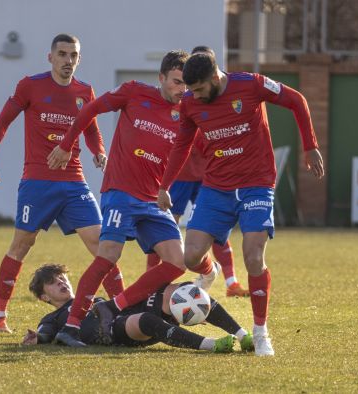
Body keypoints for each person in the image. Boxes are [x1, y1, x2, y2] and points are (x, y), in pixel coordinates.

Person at [47, 50, 220, 347]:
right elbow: (90, 109)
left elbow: (195, 149)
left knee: (177, 262)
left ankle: (120, 305)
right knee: (108, 255)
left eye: (186, 85)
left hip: (154, 199)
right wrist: (66, 144)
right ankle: (71, 327)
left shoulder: (189, 110)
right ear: (162, 78)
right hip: (121, 193)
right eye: (177, 82)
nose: (182, 90)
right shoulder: (133, 92)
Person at [158, 52, 325, 356]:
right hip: (215, 188)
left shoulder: (251, 85)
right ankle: (210, 273)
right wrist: (165, 185)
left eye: (197, 89)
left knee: (253, 255)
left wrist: (310, 146)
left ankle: (261, 332)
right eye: (189, 90)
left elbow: (297, 100)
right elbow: (182, 143)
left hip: (256, 185)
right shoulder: (191, 104)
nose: (192, 95)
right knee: (191, 257)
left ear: (214, 77)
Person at [0, 34, 124, 334]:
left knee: (102, 244)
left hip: (74, 183)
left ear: (78, 59)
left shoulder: (84, 91)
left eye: (73, 55)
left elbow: (92, 129)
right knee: (22, 245)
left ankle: (123, 308)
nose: (68, 60)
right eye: (62, 54)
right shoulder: (30, 85)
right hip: (37, 183)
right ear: (50, 57)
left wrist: (99, 152)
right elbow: (3, 121)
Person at [146, 46, 249, 298]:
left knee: (215, 232)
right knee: (163, 226)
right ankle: (152, 284)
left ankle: (231, 282)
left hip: (207, 177)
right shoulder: (187, 100)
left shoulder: (216, 99)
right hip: (180, 177)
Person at [22, 263, 254, 353]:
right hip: (113, 333)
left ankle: (242, 335)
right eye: (53, 282)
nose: (61, 283)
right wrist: (38, 338)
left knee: (183, 291)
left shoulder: (93, 298)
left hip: (124, 314)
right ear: (44, 296)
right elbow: (46, 333)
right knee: (143, 319)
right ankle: (211, 345)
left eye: (62, 278)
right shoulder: (54, 316)